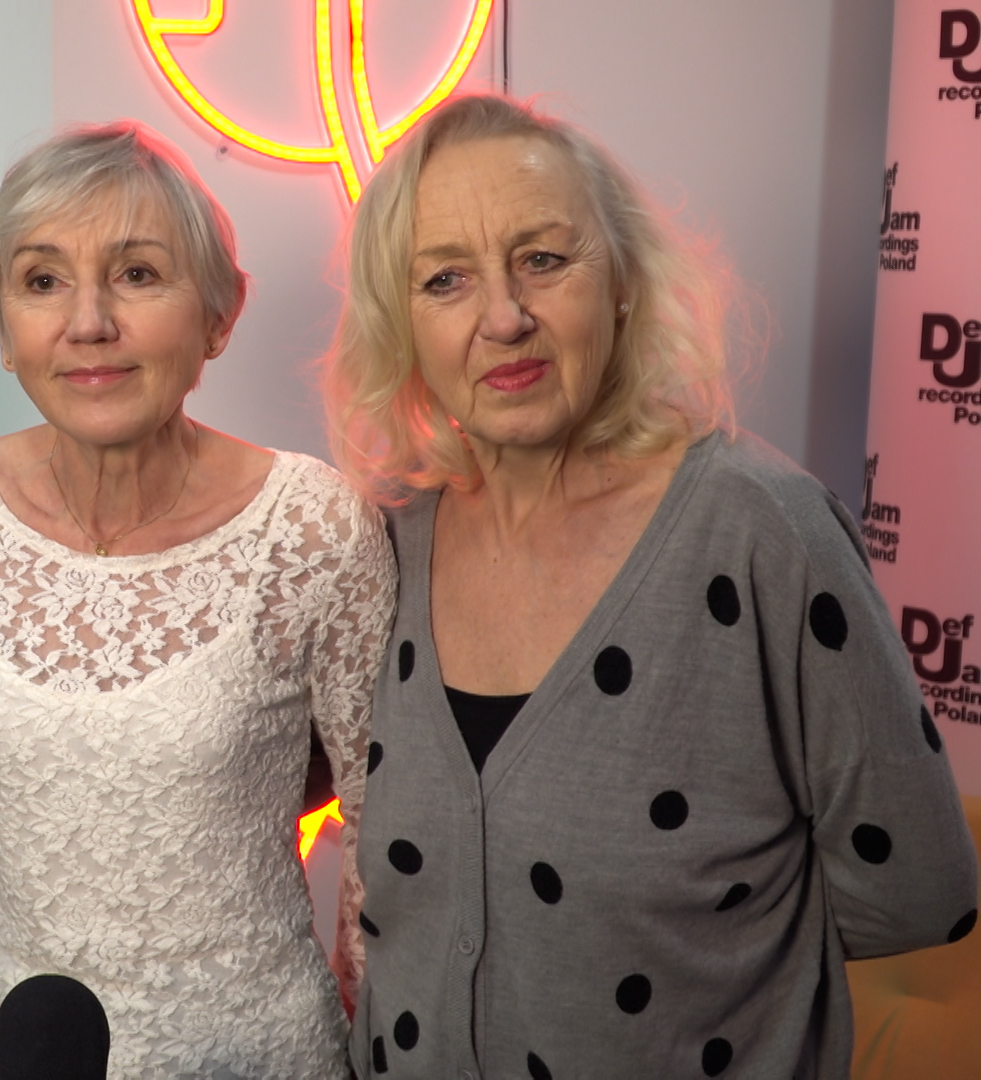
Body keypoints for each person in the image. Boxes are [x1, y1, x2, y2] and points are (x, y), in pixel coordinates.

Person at [325, 94, 978, 1079]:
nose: (504, 317)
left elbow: (917, 889)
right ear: (401, 321)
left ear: (622, 281)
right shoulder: (384, 544)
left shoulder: (760, 528)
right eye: (445, 279)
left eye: (544, 259)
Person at [0, 120, 396, 1079]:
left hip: (249, 1054)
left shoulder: (316, 526)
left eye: (138, 274)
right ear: (6, 330)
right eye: (42, 281)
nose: (88, 323)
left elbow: (379, 838)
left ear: (219, 316)